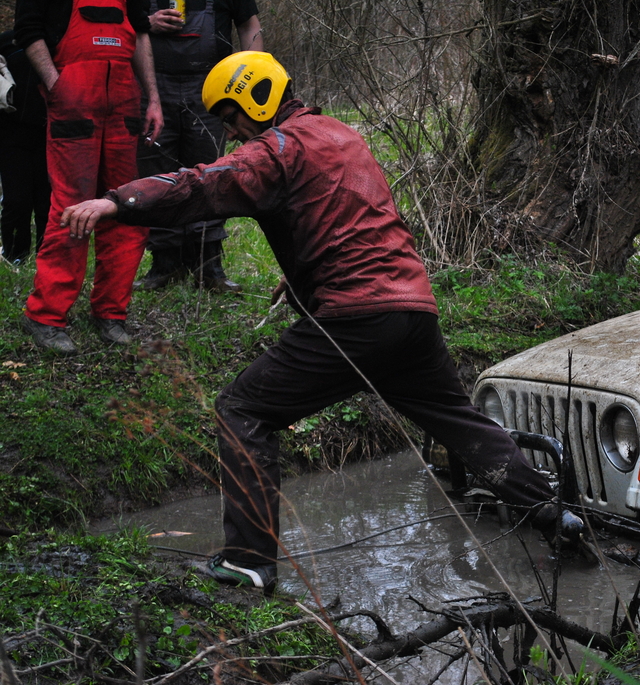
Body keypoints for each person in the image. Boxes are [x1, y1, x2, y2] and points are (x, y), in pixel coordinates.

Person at [61, 51, 584, 593]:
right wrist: (306, 275)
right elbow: (353, 216)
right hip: (412, 308)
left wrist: (118, 202)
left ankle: (248, 560)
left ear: (253, 99)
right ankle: (553, 514)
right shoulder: (341, 134)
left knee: (243, 409)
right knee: (457, 419)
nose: (232, 131)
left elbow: (201, 185)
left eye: (230, 115)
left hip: (356, 316)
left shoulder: (276, 150)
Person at [15, 0, 163, 354]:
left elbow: (141, 32)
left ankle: (111, 312)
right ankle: (45, 316)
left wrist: (153, 99)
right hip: (72, 99)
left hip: (125, 102)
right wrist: (57, 84)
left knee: (125, 207)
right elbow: (28, 31)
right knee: (72, 209)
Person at [133, 0, 263, 293]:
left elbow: (249, 26)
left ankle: (210, 267)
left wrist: (251, 76)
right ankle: (166, 264)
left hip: (212, 87)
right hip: (152, 85)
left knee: (211, 173)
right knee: (157, 171)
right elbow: (122, 26)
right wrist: (147, 23)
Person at [0, 30, 50, 265]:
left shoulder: (60, 39)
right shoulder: (6, 41)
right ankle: (13, 257)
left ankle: (47, 258)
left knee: (46, 201)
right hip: (11, 133)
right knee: (15, 201)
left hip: (50, 132)